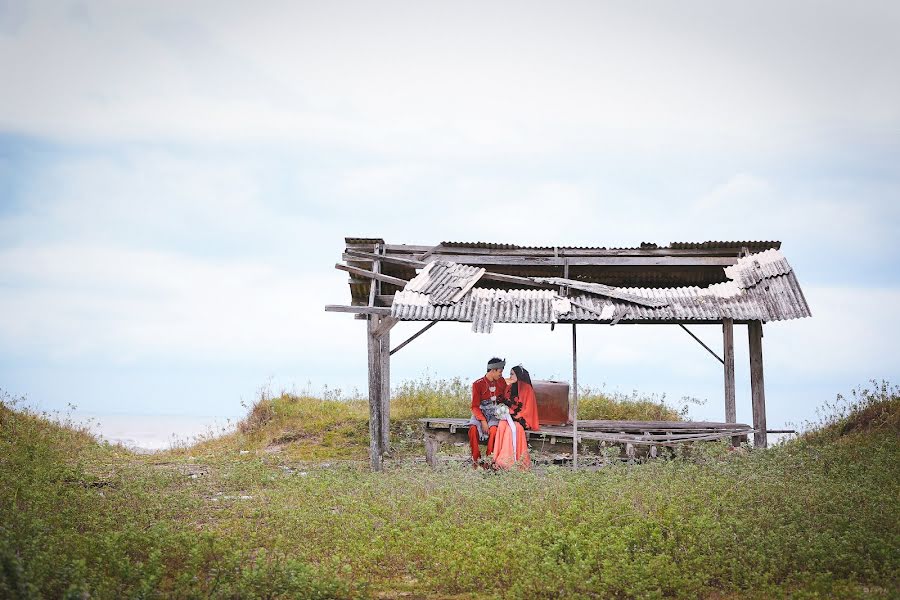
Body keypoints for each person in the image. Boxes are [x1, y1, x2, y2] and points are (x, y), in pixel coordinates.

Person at [492, 364, 540, 470]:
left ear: (519, 375)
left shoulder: (527, 388)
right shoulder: (509, 387)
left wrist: (514, 415)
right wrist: (503, 410)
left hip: (522, 418)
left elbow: (528, 409)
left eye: (512, 374)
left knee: (512, 429)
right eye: (510, 374)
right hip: (510, 416)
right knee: (501, 425)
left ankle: (508, 462)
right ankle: (498, 460)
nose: (510, 376)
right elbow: (506, 402)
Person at [468, 357, 508, 467]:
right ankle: (476, 460)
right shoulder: (478, 384)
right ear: (493, 370)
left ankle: (489, 461)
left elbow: (505, 398)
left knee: (494, 431)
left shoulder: (501, 381)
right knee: (472, 429)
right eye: (500, 371)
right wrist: (483, 421)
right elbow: (475, 406)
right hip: (480, 413)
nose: (501, 374)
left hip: (495, 414)